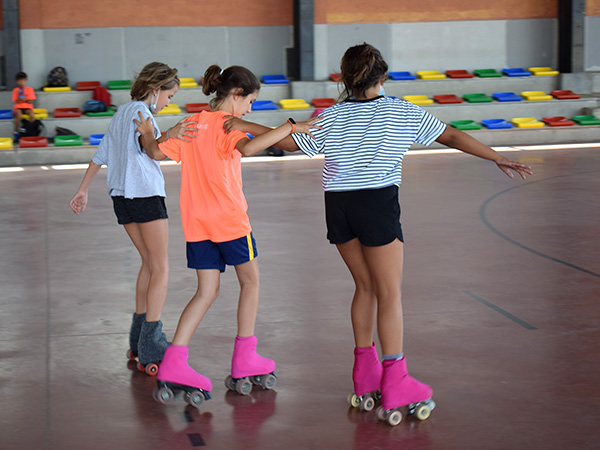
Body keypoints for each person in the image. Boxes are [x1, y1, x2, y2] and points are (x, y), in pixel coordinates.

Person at [225, 43, 533, 424]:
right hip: (376, 204)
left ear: (345, 78)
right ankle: (396, 380)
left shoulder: (331, 116)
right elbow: (450, 136)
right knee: (389, 293)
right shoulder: (400, 110)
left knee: (365, 288)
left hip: (338, 209)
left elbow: (286, 141)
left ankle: (365, 373)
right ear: (382, 78)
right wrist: (498, 156)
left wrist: (243, 125)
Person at [134, 64, 320, 402]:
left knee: (206, 292)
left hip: (197, 225)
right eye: (250, 101)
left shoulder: (189, 124)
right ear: (236, 95)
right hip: (230, 222)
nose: (249, 109)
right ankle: (245, 357)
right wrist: (291, 125)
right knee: (250, 281)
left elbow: (154, 152)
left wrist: (154, 131)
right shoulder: (228, 125)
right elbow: (249, 148)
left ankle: (175, 361)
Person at [69, 62, 197, 375]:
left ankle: (138, 340)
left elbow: (100, 155)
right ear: (155, 91)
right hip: (145, 197)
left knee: (148, 264)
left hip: (121, 199)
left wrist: (83, 190)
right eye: (169, 95)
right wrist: (172, 133)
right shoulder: (144, 114)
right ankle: (152, 346)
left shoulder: (121, 112)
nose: (169, 102)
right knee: (161, 268)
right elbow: (153, 151)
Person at [12, 72, 37, 141]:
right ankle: (15, 131)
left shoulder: (30, 89)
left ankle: (31, 131)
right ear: (17, 82)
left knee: (32, 115)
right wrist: (18, 96)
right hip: (19, 107)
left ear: (26, 80)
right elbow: (16, 101)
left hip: (28, 107)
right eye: (19, 81)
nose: (21, 82)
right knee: (19, 115)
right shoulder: (15, 90)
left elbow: (30, 101)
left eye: (23, 80)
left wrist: (26, 99)